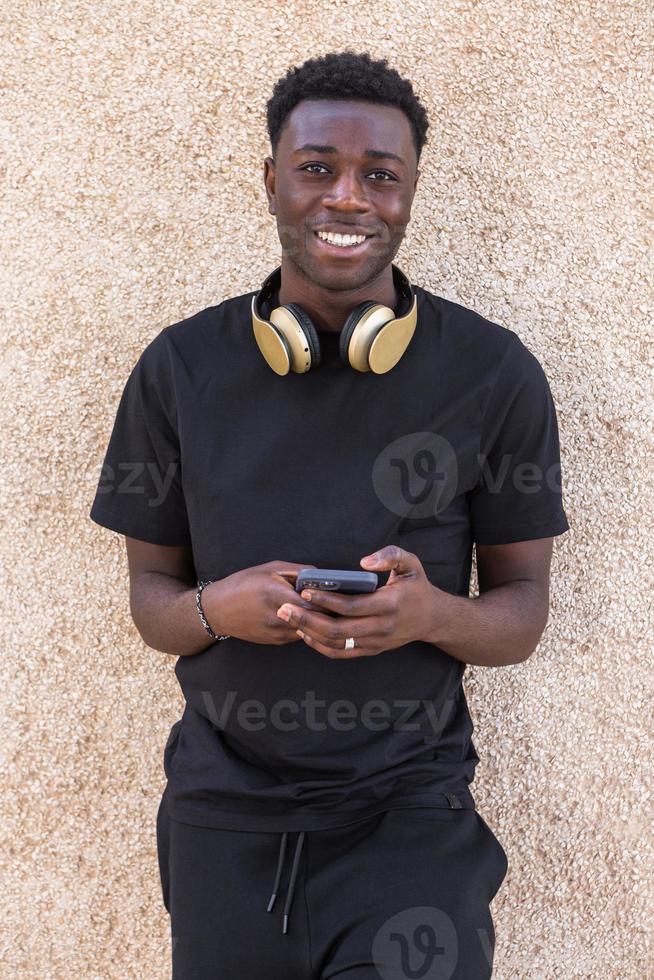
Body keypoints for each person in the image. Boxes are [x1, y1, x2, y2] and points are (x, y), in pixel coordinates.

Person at [89, 50, 570, 979]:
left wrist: (431, 615)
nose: (348, 198)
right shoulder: (179, 369)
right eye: (318, 168)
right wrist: (212, 611)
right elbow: (153, 599)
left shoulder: (494, 373)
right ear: (271, 178)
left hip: (410, 823)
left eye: (380, 176)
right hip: (222, 822)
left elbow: (522, 614)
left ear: (411, 190)